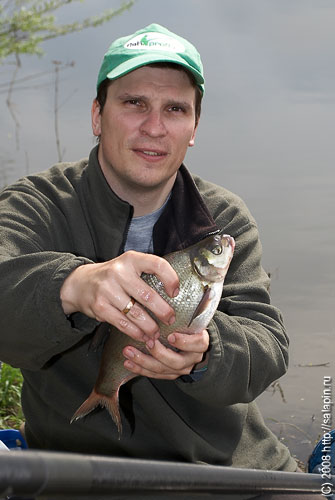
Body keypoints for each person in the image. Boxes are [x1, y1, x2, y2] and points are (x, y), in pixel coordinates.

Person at [0, 23, 297, 473]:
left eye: (175, 109)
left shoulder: (224, 220)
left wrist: (205, 353)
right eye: (134, 103)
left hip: (228, 468)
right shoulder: (37, 204)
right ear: (98, 115)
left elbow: (268, 347)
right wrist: (73, 285)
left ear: (194, 127)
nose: (154, 127)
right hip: (80, 471)